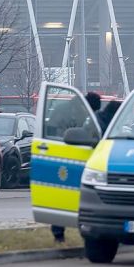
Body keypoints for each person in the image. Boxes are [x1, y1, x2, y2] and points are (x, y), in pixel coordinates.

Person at [52, 91, 104, 244]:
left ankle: (59, 234)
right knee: (69, 197)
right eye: (93, 111)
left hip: (63, 156)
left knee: (63, 197)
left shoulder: (68, 109)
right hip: (66, 158)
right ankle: (61, 233)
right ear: (89, 107)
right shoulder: (78, 115)